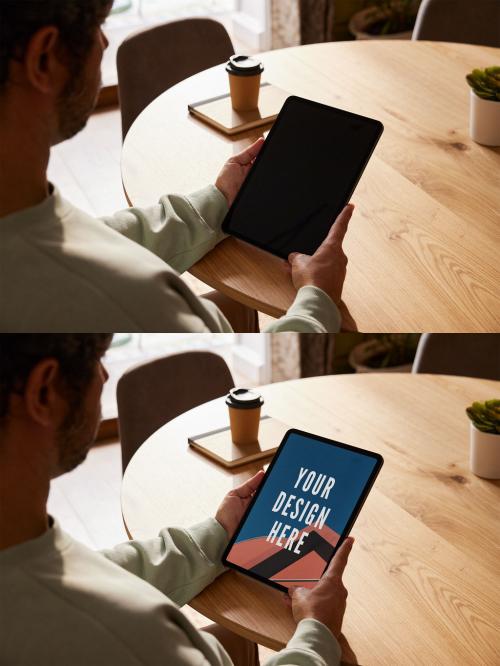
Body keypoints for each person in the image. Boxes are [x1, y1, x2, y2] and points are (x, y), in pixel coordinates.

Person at [0, 334, 357, 665]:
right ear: (43, 391)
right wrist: (316, 633)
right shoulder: (133, 643)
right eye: (97, 358)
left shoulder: (22, 555)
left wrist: (218, 535)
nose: (105, 375)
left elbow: (91, 577)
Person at [0, 1, 355, 333]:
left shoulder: (22, 220)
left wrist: (218, 202)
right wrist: (317, 299)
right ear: (43, 59)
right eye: (98, 25)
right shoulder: (137, 303)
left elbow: (90, 243)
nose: (105, 41)